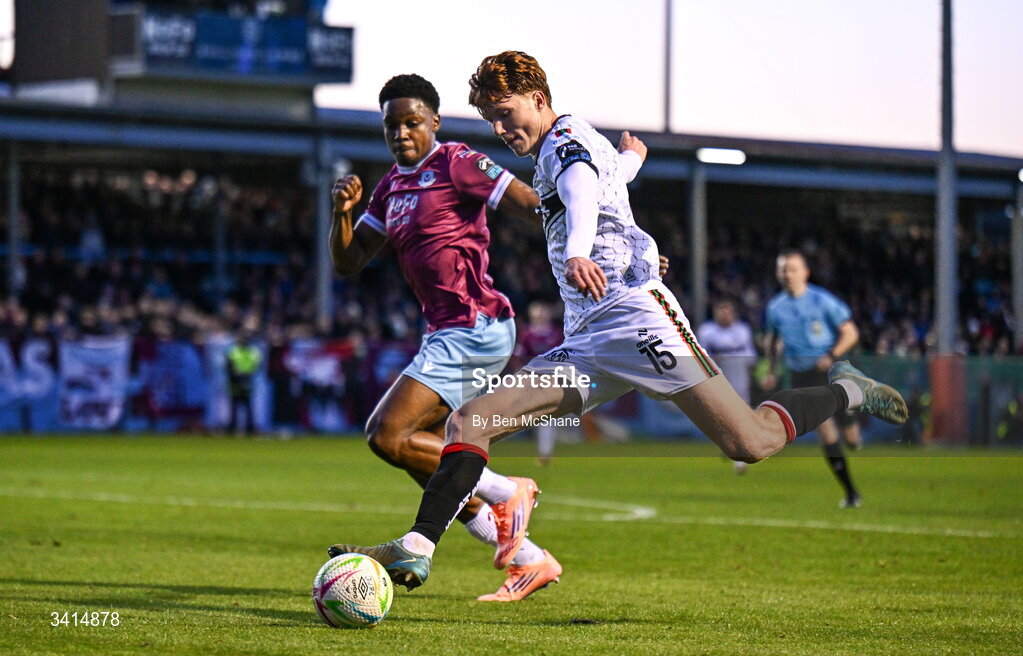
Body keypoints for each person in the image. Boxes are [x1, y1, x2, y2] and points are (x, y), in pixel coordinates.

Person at [332, 52, 908, 591]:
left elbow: (582, 189)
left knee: (749, 442)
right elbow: (611, 179)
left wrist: (581, 249)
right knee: (471, 423)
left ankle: (846, 391)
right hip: (586, 342)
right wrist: (633, 160)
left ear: (536, 96)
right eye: (492, 121)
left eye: (506, 114)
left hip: (638, 321)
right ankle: (418, 545)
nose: (503, 130)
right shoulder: (573, 144)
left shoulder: (562, 142)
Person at [325, 73, 561, 601]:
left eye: (412, 122)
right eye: (392, 125)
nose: (402, 133)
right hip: (447, 332)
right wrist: (340, 217)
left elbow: (526, 202)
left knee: (386, 434)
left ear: (433, 121)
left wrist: (601, 235)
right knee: (422, 453)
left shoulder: (456, 161)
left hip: (475, 326)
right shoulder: (390, 187)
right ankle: (530, 559)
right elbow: (349, 261)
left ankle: (507, 490)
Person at [764, 249, 864, 508]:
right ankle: (852, 493)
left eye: (792, 269)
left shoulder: (822, 300)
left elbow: (851, 332)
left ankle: (851, 427)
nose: (787, 274)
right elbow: (774, 341)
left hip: (831, 369)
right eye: (783, 269)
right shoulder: (775, 308)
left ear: (805, 273)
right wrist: (773, 371)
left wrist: (831, 355)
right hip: (802, 375)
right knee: (825, 431)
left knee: (851, 440)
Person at [696, 298, 757, 474]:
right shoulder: (707, 331)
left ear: (733, 313)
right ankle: (731, 446)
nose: (724, 314)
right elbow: (701, 354)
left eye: (727, 310)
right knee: (722, 417)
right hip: (717, 379)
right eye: (720, 310)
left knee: (742, 416)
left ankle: (741, 456)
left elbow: (750, 356)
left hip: (739, 379)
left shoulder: (742, 331)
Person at [226, 330, 262, 434]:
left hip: (247, 381)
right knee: (234, 407)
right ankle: (232, 428)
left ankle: (249, 428)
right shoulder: (233, 351)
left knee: (247, 406)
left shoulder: (252, 352)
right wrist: (237, 373)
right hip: (235, 382)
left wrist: (246, 374)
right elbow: (229, 366)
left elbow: (256, 365)